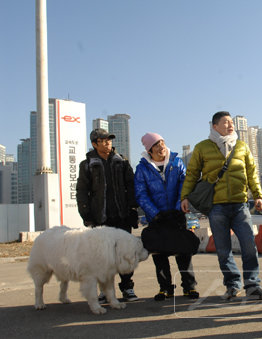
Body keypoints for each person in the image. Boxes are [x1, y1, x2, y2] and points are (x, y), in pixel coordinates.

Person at [180, 111, 262, 301]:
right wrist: (184, 196)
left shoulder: (242, 146)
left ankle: (253, 285)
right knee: (223, 250)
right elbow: (192, 174)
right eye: (226, 122)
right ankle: (232, 285)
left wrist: (258, 195)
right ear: (214, 126)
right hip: (216, 207)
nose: (230, 125)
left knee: (249, 246)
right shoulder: (202, 147)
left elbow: (252, 173)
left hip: (240, 205)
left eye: (231, 122)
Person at [134, 132, 199, 300]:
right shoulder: (142, 168)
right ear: (149, 150)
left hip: (177, 215)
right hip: (156, 218)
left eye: (162, 142)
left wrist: (178, 208)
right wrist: (155, 213)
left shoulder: (177, 163)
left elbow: (184, 186)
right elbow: (141, 194)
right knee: (159, 254)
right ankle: (165, 288)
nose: (161, 146)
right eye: (156, 144)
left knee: (183, 252)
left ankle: (189, 287)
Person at [76, 128, 139, 302]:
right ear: (94, 144)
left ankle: (127, 287)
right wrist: (86, 214)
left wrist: (133, 208)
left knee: (126, 252)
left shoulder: (122, 161)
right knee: (103, 256)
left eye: (109, 140)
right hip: (100, 217)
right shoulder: (87, 165)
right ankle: (105, 291)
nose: (107, 143)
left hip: (122, 215)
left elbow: (132, 185)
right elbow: (82, 191)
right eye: (103, 140)